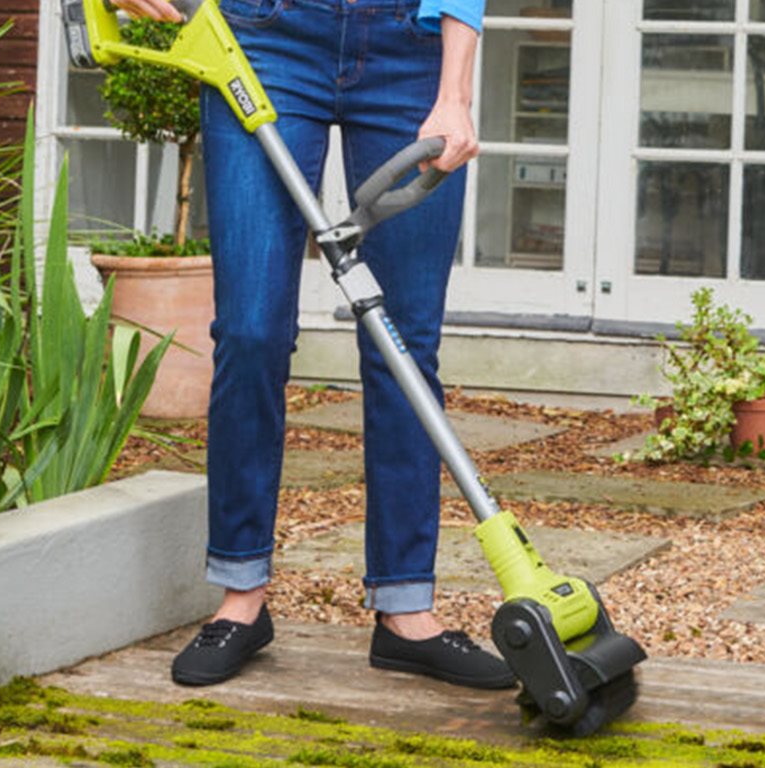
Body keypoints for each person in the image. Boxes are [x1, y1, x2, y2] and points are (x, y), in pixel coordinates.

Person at [110, 0, 511, 689]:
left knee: (402, 342)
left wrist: (455, 94)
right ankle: (241, 596)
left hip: (408, 47)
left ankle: (406, 609)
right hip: (265, 38)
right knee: (251, 329)